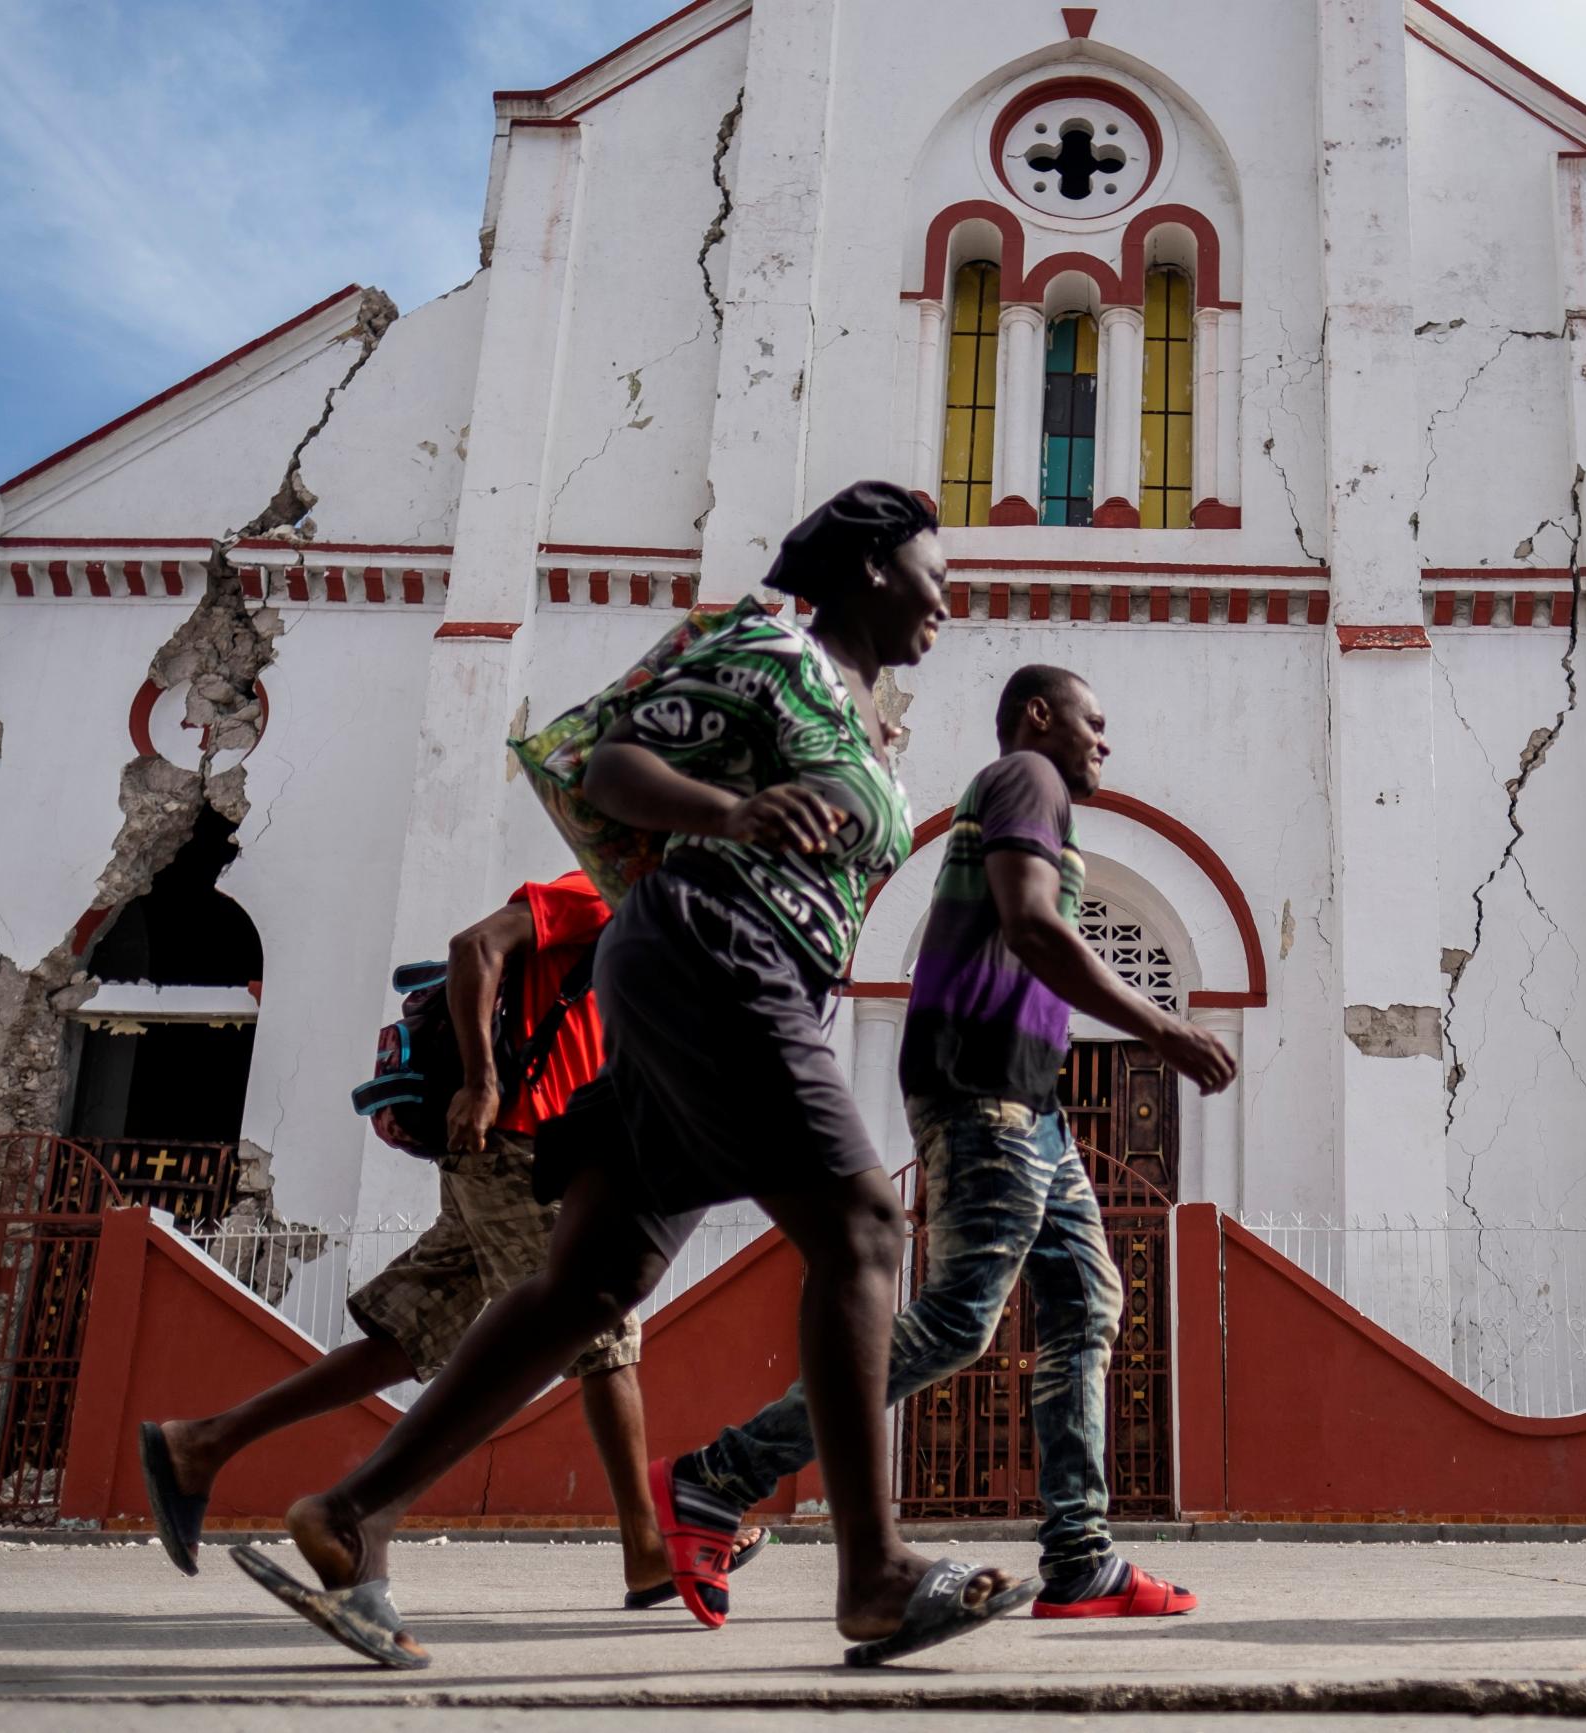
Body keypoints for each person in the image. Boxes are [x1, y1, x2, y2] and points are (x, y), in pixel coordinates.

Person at [231, 481, 1023, 1670]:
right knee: (862, 1230)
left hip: (733, 971)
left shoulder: (859, 712)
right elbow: (613, 769)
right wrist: (733, 807)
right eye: (933, 578)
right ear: (870, 566)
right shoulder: (773, 649)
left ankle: (352, 1510)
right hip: (715, 949)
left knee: (590, 1283)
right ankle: (874, 1573)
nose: (943, 605)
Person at [662, 664, 1235, 1625]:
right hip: (982, 1089)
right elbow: (1034, 925)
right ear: (1040, 716)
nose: (1105, 741)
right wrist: (1162, 1027)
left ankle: (1081, 1556)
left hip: (1031, 1104)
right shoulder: (1027, 778)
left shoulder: (1038, 793)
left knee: (1088, 1297)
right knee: (960, 1319)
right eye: (1095, 720)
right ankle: (716, 1477)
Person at [138, 875, 758, 1604]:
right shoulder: (599, 892)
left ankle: (200, 1443)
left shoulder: (657, 931)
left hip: (515, 1153)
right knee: (602, 1325)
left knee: (406, 1338)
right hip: (520, 1145)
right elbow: (474, 946)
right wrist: (480, 1081)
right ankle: (645, 1547)